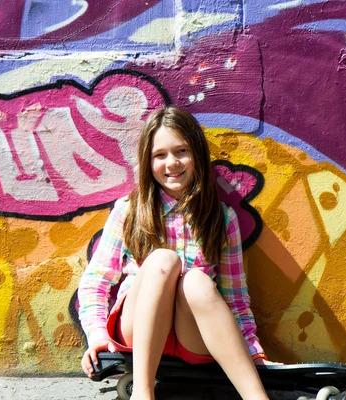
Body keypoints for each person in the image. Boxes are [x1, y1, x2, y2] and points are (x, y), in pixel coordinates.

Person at [78, 105, 273, 399]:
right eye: (160, 155)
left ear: (196, 154)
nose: (172, 163)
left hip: (191, 338)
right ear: (147, 160)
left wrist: (253, 352)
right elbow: (95, 281)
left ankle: (256, 397)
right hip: (135, 333)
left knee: (195, 281)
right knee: (163, 260)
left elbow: (234, 298)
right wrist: (97, 335)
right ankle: (143, 394)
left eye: (181, 151)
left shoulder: (221, 218)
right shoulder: (129, 212)